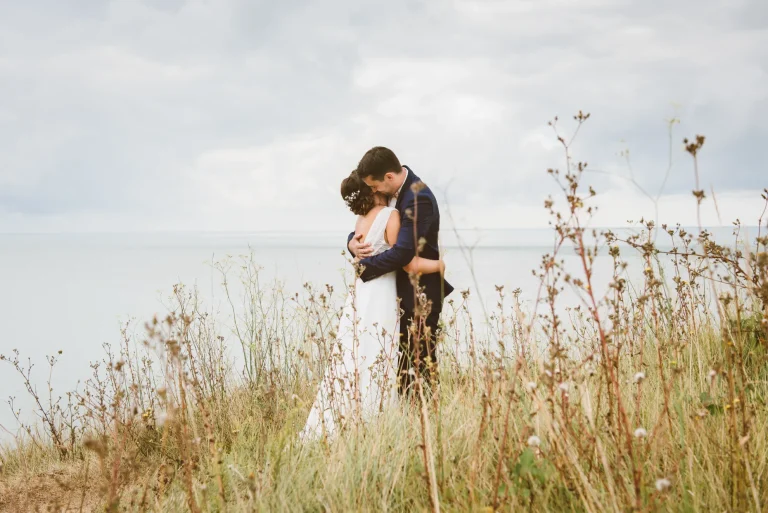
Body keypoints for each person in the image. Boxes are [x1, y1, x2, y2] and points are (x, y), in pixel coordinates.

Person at [300, 169, 444, 440]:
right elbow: (405, 257)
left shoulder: (360, 220)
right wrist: (441, 264)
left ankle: (349, 415)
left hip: (362, 293)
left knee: (357, 350)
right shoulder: (392, 215)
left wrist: (356, 255)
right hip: (383, 290)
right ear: (374, 189)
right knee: (383, 351)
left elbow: (361, 239)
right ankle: (378, 419)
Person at [348, 147, 454, 395]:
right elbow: (372, 226)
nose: (373, 192)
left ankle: (423, 420)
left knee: (419, 363)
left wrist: (363, 267)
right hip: (396, 293)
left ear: (389, 177)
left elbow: (403, 253)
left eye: (373, 186)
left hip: (419, 293)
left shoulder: (419, 198)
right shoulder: (390, 194)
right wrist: (352, 242)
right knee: (399, 363)